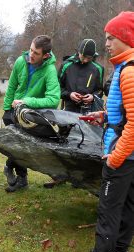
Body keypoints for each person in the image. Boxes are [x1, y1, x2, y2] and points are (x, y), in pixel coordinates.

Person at [71, 11, 134, 252]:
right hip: (129, 156)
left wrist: (114, 158)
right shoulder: (125, 67)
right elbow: (125, 114)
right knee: (129, 205)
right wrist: (104, 116)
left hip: (122, 156)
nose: (106, 43)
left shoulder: (130, 70)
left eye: (111, 38)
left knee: (107, 213)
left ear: (126, 38)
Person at [43, 38, 105, 189]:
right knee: (63, 142)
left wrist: (93, 96)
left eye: (88, 58)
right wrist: (69, 95)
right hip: (69, 109)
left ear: (93, 56)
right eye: (83, 56)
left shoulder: (98, 68)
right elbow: (56, 89)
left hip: (89, 111)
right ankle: (59, 176)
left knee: (85, 144)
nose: (84, 60)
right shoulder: (66, 65)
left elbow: (100, 90)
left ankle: (81, 179)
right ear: (78, 52)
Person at [2, 35, 61, 192]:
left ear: (45, 55)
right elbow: (12, 85)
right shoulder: (21, 61)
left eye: (36, 53)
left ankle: (9, 167)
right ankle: (22, 180)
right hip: (13, 110)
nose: (31, 55)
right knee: (14, 144)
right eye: (30, 49)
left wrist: (27, 101)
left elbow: (54, 99)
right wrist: (7, 109)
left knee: (21, 145)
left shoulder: (49, 70)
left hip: (31, 116)